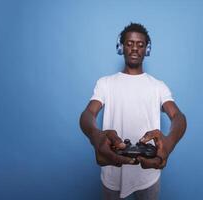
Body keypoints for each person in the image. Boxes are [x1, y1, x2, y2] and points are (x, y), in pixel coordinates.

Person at [80, 23, 187, 200]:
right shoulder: (105, 83)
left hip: (148, 176)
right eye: (129, 43)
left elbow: (178, 116)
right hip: (112, 173)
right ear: (121, 47)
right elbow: (88, 114)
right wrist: (95, 135)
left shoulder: (158, 86)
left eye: (140, 44)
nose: (135, 48)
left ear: (147, 49)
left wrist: (170, 142)